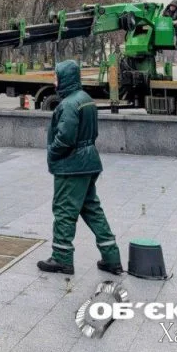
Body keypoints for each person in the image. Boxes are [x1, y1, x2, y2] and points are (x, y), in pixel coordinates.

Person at [37, 60, 123, 276]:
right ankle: (111, 257)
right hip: (89, 161)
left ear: (65, 77)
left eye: (57, 76)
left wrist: (52, 152)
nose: (55, 81)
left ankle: (62, 258)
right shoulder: (86, 100)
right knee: (91, 208)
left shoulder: (68, 104)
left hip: (72, 165)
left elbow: (65, 138)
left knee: (64, 210)